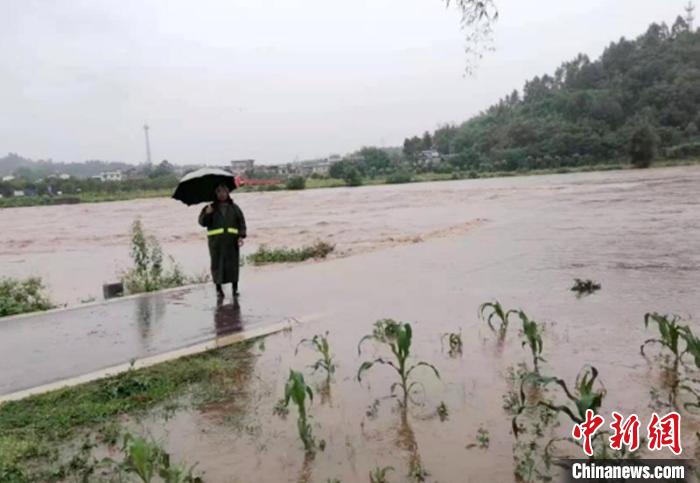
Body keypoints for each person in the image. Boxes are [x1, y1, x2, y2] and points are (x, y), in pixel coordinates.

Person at [198, 184, 247, 299]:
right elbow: (202, 222)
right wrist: (207, 214)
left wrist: (241, 236)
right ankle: (219, 289)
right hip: (216, 243)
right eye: (219, 192)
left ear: (228, 193)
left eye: (224, 191)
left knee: (233, 265)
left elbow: (242, 223)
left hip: (232, 242)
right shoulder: (209, 208)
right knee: (217, 265)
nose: (222, 194)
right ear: (215, 193)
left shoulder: (235, 208)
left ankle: (235, 289)